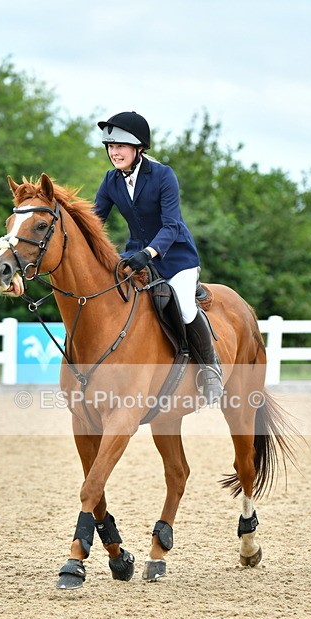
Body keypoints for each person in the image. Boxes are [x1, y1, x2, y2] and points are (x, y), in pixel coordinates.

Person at [93, 111, 223, 404]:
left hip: (175, 256)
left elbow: (171, 225)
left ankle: (210, 370)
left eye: (121, 146)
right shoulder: (111, 180)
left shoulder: (163, 175)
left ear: (139, 148)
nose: (114, 152)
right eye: (111, 147)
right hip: (136, 254)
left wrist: (149, 252)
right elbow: (94, 221)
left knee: (186, 307)